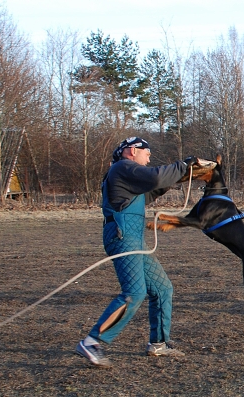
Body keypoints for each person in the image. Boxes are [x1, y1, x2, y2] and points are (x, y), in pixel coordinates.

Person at [76, 136, 197, 367]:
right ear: (132, 151)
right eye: (147, 153)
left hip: (134, 240)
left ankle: (159, 344)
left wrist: (181, 177)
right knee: (134, 292)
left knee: (162, 288)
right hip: (122, 237)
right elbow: (156, 177)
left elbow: (150, 190)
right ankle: (92, 342)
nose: (149, 157)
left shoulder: (126, 174)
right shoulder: (123, 167)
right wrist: (183, 165)